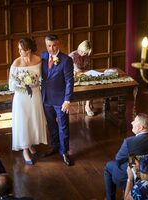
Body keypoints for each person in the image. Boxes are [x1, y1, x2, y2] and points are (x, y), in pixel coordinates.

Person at [104, 113, 148, 200]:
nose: (131, 123)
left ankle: (110, 198)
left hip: (132, 174)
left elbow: (118, 159)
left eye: (134, 121)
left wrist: (131, 162)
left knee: (108, 166)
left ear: (141, 127)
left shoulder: (129, 142)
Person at [9, 37, 48, 165]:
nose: (19, 52)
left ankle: (30, 144)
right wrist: (21, 83)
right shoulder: (16, 63)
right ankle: (25, 150)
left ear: (28, 50)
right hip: (21, 97)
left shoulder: (38, 60)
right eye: (19, 49)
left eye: (21, 50)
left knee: (32, 120)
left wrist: (33, 82)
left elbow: (43, 78)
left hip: (35, 94)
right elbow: (11, 84)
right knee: (23, 121)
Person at [40, 34, 74, 166]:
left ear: (58, 44)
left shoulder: (66, 60)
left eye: (54, 45)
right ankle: (54, 146)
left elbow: (69, 82)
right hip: (46, 98)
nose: (51, 48)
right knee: (51, 125)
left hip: (60, 101)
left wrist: (67, 100)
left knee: (63, 126)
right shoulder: (43, 56)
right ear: (46, 45)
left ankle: (64, 151)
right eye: (49, 45)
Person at [69, 40, 94, 116]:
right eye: (83, 52)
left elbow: (89, 67)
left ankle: (87, 106)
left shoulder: (87, 56)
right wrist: (75, 72)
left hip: (85, 77)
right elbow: (66, 70)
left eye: (85, 53)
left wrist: (87, 72)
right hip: (74, 78)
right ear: (79, 48)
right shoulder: (72, 56)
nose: (84, 54)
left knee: (91, 85)